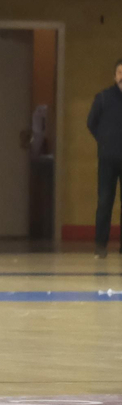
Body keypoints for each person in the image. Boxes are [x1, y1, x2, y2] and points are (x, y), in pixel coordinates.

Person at [86, 60, 122, 258]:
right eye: (119, 72)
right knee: (105, 201)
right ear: (114, 75)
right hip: (108, 159)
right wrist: (105, 140)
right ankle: (100, 246)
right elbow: (91, 122)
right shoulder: (104, 98)